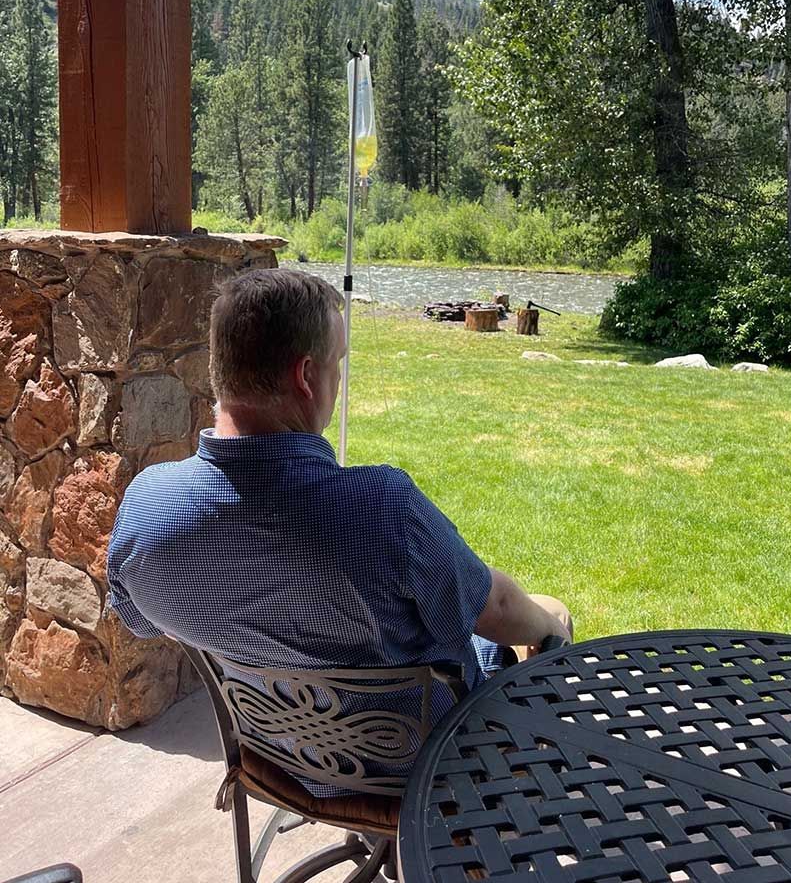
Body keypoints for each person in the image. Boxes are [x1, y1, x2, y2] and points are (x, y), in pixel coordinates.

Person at [107, 269, 572, 796]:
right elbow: (499, 609)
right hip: (422, 773)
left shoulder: (146, 509)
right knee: (551, 614)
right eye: (338, 363)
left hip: (283, 760)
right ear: (306, 376)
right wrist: (548, 631)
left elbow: (141, 622)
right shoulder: (383, 510)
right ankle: (518, 809)